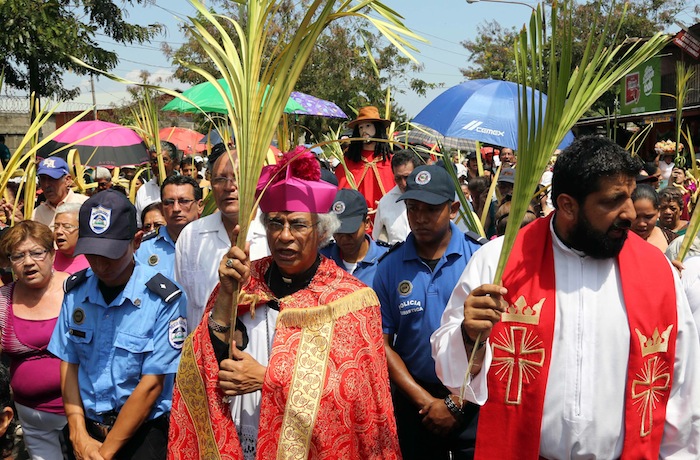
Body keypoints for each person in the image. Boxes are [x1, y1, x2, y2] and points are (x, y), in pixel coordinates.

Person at [432, 136, 700, 459]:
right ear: (568, 205)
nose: (629, 213)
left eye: (629, 197)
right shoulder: (499, 261)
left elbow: (683, 392)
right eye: (613, 201)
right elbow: (449, 372)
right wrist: (468, 336)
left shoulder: (658, 273)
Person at [169, 147, 400, 459]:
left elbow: (354, 399)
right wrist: (225, 294)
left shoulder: (351, 300)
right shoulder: (244, 281)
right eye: (276, 223)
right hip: (239, 439)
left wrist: (268, 379)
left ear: (321, 232)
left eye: (299, 225)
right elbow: (203, 360)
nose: (284, 236)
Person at [48, 189, 188, 460]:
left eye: (110, 254)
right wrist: (77, 433)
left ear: (136, 241)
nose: (100, 264)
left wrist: (105, 452)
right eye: (92, 253)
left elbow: (152, 384)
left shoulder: (163, 299)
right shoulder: (76, 291)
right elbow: (69, 362)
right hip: (84, 430)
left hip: (140, 437)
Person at [373, 164, 484, 460]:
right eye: (412, 208)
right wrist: (424, 400)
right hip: (416, 402)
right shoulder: (388, 268)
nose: (419, 218)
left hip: (473, 398)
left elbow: (494, 340)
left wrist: (456, 402)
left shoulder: (479, 259)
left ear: (453, 209)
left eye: (431, 209)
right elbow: (382, 345)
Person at [174, 145, 269, 333]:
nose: (229, 186)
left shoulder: (273, 233)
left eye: (237, 178)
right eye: (220, 179)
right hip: (204, 352)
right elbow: (182, 304)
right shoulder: (191, 235)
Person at [0, 221, 70, 459]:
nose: (28, 262)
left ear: (52, 254)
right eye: (18, 256)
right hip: (31, 418)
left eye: (37, 252)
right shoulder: (2, 299)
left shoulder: (77, 288)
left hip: (82, 412)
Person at [135, 175, 202, 278]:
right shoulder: (143, 247)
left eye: (184, 201)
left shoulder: (212, 244)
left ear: (199, 206)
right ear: (162, 207)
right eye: (169, 202)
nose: (176, 208)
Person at [335, 106, 395, 217]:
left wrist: (386, 206)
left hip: (386, 218)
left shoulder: (390, 161)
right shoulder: (349, 161)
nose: (364, 131)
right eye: (361, 127)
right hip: (355, 218)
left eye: (368, 126)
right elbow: (341, 192)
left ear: (377, 128)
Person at [321, 188, 388, 285]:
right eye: (338, 232)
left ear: (367, 223)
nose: (344, 238)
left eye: (350, 231)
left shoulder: (387, 260)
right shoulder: (321, 260)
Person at [372, 149, 419, 245]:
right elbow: (376, 237)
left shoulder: (431, 197)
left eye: (407, 177)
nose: (403, 183)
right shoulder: (385, 202)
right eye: (398, 178)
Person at [32, 157, 89, 228]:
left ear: (67, 180)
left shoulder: (85, 205)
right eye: (43, 179)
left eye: (52, 179)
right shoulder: (37, 214)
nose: (46, 185)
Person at [135, 141, 181, 227]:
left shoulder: (185, 188)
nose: (158, 165)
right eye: (154, 161)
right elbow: (139, 225)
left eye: (164, 160)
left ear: (175, 162)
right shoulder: (144, 190)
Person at [631, 184, 677, 252]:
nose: (641, 224)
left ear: (658, 211)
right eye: (636, 217)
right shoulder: (615, 243)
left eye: (648, 217)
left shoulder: (674, 242)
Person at [52, 202, 90, 274]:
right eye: (56, 227)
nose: (58, 231)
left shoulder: (93, 262)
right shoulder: (48, 259)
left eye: (67, 226)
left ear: (82, 229)